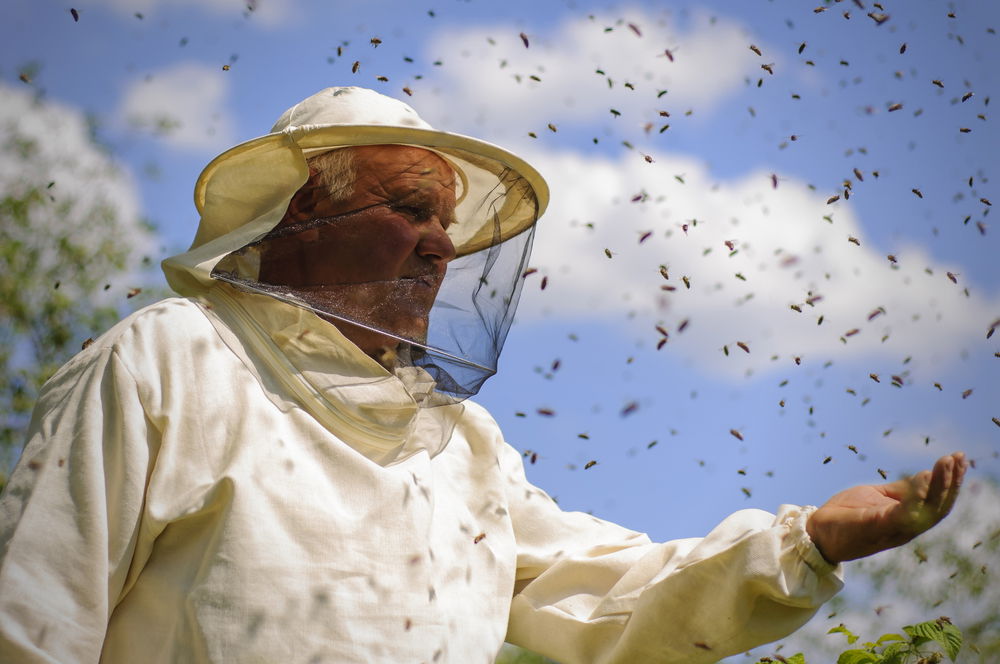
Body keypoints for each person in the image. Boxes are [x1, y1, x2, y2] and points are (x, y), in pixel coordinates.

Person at [0, 87, 966, 664]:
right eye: (410, 209)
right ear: (296, 222)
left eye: (451, 225)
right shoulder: (170, 360)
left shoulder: (458, 444)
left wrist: (811, 543)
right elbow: (32, 621)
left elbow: (604, 593)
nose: (441, 248)